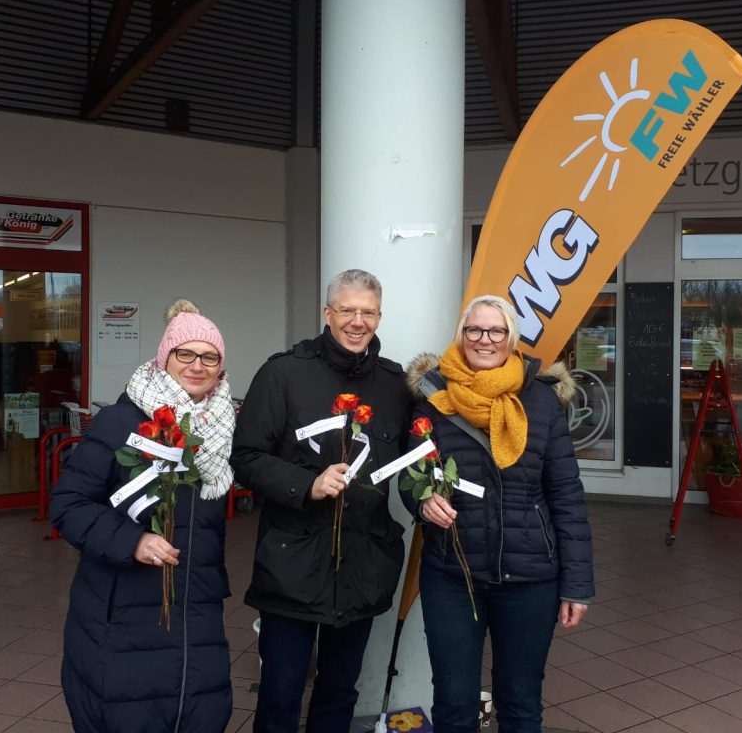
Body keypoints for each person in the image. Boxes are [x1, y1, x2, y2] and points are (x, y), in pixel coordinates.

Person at [231, 269, 413, 733]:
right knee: (280, 694)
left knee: (339, 694)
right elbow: (246, 457)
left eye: (367, 312)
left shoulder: (395, 384)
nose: (358, 321)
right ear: (327, 314)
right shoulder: (283, 373)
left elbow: (420, 455)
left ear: (379, 316)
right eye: (347, 310)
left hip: (362, 565)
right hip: (292, 565)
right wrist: (304, 484)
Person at [402, 294, 594, 733]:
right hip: (453, 574)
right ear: (461, 335)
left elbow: (566, 494)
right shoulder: (433, 397)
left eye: (496, 331)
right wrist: (422, 500)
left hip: (531, 579)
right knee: (453, 702)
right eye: (474, 330)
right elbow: (411, 473)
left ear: (511, 339)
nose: (483, 340)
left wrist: (577, 584)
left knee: (521, 702)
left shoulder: (542, 402)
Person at [51, 299, 236, 733]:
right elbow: (69, 505)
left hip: (196, 604)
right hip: (124, 611)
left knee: (198, 708)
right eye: (184, 354)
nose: (197, 366)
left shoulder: (221, 428)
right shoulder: (120, 422)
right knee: (130, 710)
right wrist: (131, 541)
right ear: (164, 356)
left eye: (209, 357)